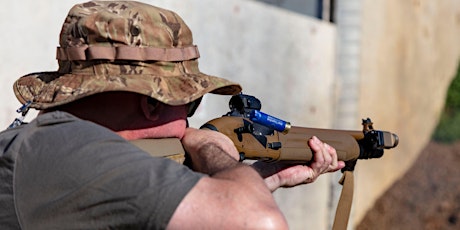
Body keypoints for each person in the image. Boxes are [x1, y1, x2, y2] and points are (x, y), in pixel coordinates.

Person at [0, 1, 344, 229]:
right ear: (152, 103)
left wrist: (257, 181)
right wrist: (215, 150)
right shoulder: (73, 150)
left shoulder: (51, 151)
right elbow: (258, 223)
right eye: (189, 103)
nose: (188, 122)